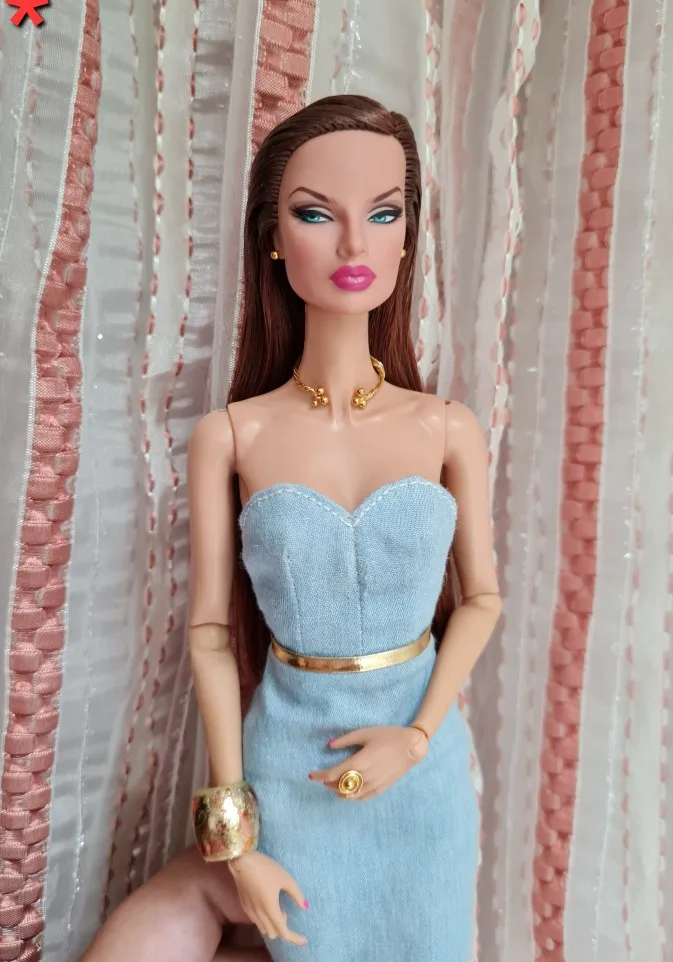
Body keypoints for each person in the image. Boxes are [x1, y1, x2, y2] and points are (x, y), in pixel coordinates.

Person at [80, 94, 500, 962]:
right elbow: (208, 636)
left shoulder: (447, 426)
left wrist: (418, 737)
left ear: (408, 236)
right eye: (316, 214)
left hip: (420, 776)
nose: (354, 245)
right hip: (290, 770)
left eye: (382, 214)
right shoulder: (234, 435)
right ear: (272, 236)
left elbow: (482, 600)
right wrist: (232, 833)